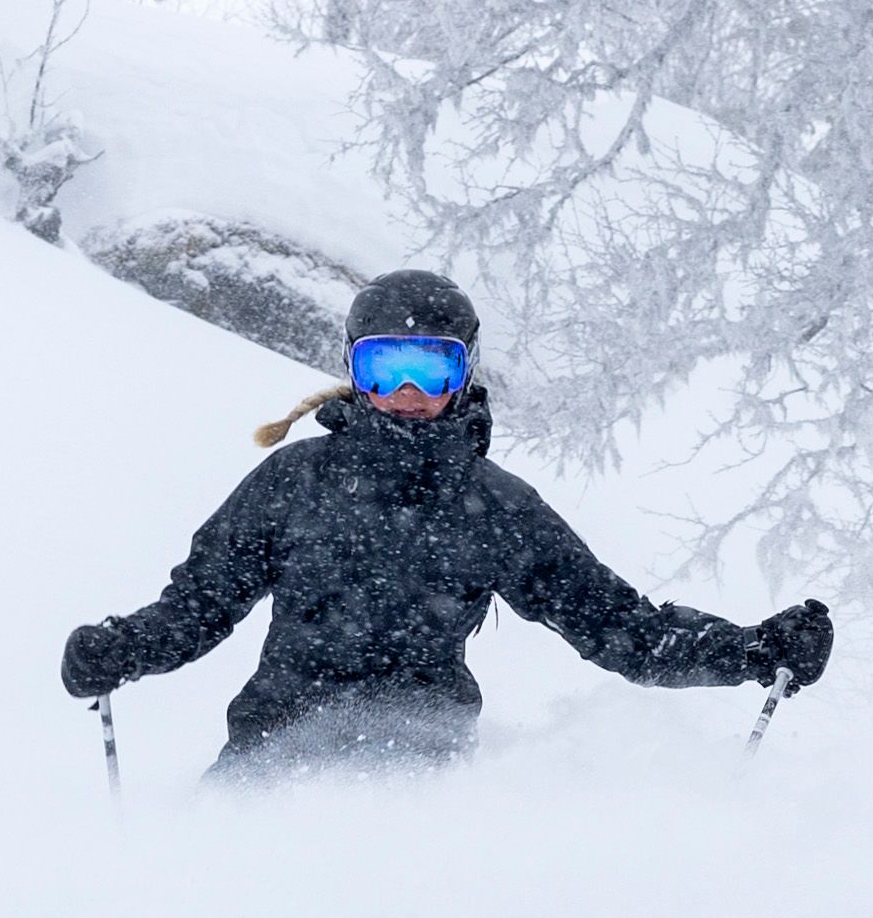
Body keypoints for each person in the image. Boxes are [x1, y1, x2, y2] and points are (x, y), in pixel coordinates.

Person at [59, 268, 831, 778]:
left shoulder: (496, 508)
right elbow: (199, 606)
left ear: (463, 375)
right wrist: (123, 649)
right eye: (382, 367)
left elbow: (620, 629)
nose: (405, 390)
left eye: (430, 368)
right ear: (354, 371)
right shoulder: (295, 482)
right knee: (212, 881)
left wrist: (751, 651)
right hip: (273, 748)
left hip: (418, 764)